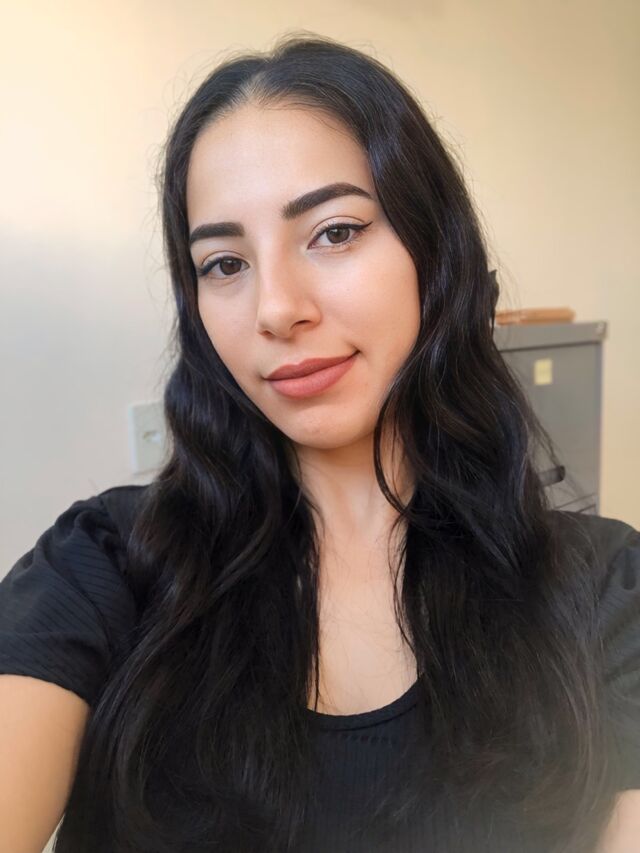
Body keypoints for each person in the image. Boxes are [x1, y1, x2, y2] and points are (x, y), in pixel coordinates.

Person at [1, 32, 639, 853]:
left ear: (434, 249)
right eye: (224, 263)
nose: (276, 307)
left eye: (334, 232)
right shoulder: (102, 566)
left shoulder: (606, 594)